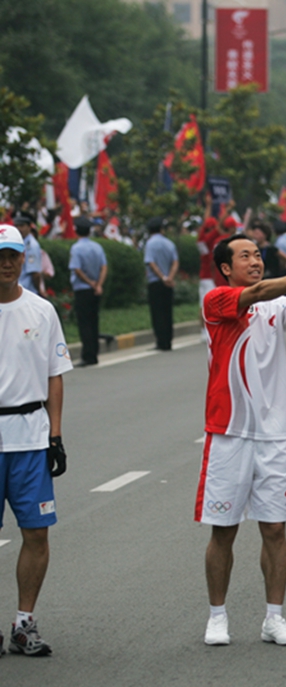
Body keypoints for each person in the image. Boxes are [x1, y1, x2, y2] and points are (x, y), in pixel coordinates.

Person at [197, 234, 286, 647]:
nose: (254, 261)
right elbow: (253, 293)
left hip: (272, 436)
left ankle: (275, 617)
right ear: (225, 269)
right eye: (244, 256)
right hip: (229, 433)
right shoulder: (218, 300)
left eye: (257, 254)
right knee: (224, 531)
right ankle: (218, 616)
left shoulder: (275, 303)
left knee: (275, 529)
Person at [0, 224, 73, 656]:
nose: (6, 263)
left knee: (37, 535)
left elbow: (54, 376)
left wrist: (56, 436)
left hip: (29, 438)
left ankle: (24, 623)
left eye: (13, 255)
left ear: (23, 259)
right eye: (0, 256)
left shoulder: (42, 311)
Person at [68, 217, 107, 366]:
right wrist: (99, 284)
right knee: (94, 321)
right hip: (95, 290)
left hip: (83, 289)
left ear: (77, 230)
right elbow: (104, 267)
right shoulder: (97, 247)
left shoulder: (76, 248)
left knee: (84, 323)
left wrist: (90, 282)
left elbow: (77, 269)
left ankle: (87, 355)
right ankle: (94, 354)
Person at [143, 217, 179, 352]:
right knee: (167, 311)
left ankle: (160, 341)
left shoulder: (150, 244)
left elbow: (151, 263)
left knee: (157, 312)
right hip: (168, 282)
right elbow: (175, 262)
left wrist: (162, 277)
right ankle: (168, 340)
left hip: (156, 282)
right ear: (161, 229)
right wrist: (170, 277)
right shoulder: (169, 243)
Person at [14, 212, 43, 295]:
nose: (19, 229)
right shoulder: (18, 242)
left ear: (29, 227)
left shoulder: (31, 246)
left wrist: (39, 291)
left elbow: (35, 273)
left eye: (22, 226)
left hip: (28, 292)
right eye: (17, 226)